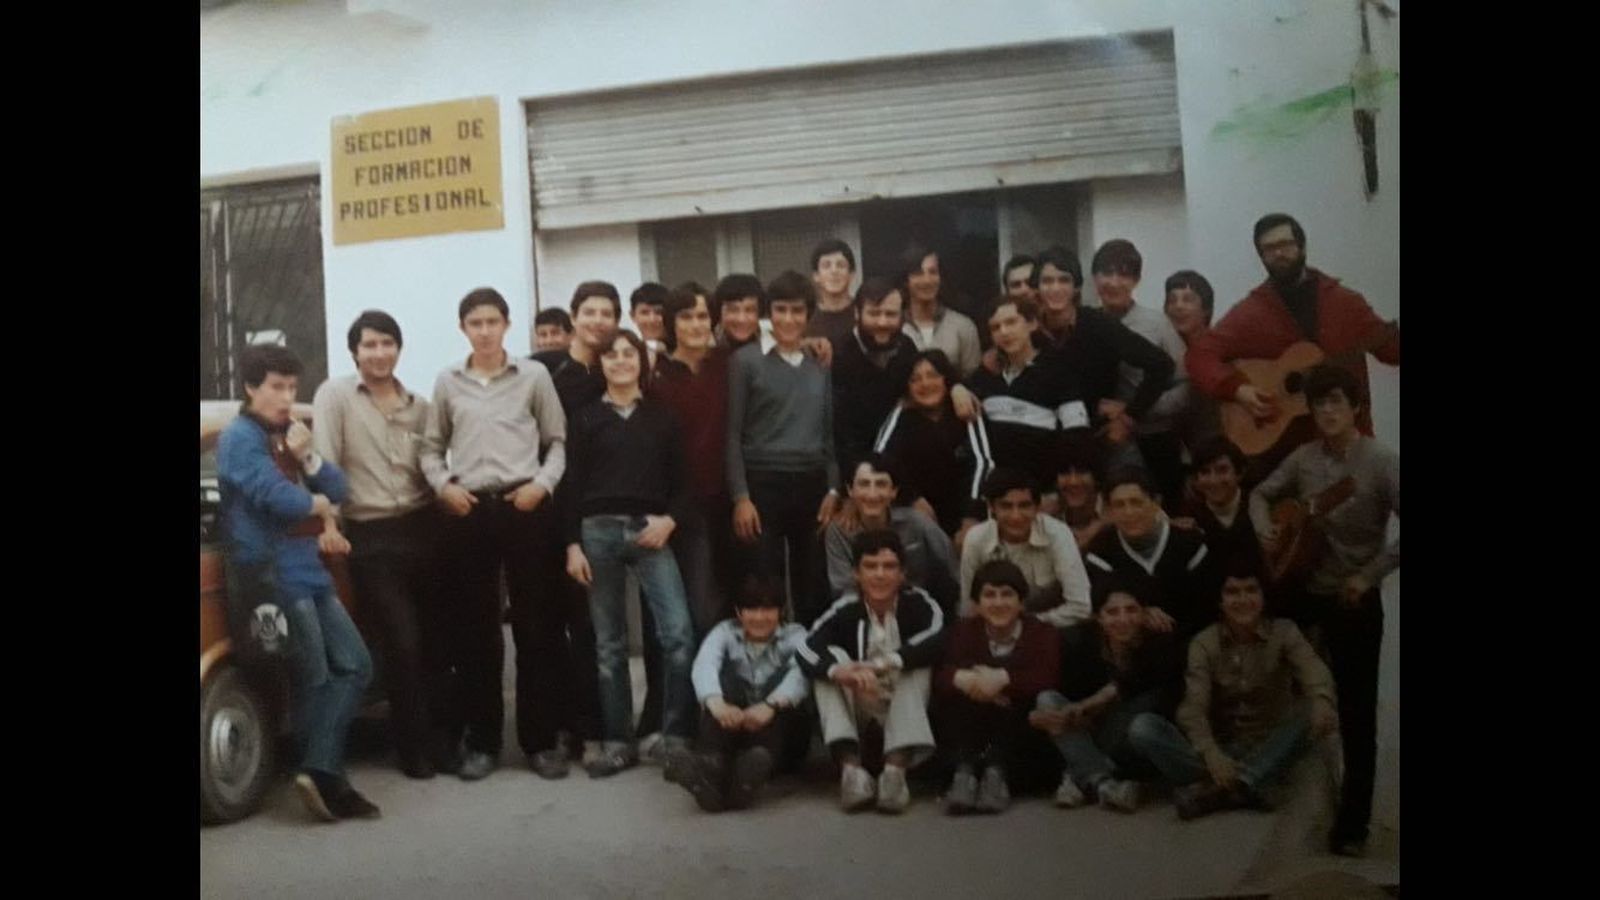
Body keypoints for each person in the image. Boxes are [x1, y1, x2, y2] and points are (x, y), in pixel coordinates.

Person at [217, 345, 378, 821]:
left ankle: (319, 770)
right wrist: (318, 507)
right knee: (315, 676)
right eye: (276, 387)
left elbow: (339, 488)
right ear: (251, 388)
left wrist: (309, 464)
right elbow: (276, 498)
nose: (287, 397)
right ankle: (328, 780)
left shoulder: (290, 432)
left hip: (308, 568)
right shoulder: (239, 438)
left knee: (355, 666)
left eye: (292, 387)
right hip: (269, 572)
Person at [1248, 364, 1398, 856]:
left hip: (1353, 596)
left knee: (1357, 712)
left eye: (1337, 402)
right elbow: (1260, 493)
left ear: (1355, 407)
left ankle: (1353, 824)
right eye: (1319, 404)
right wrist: (1267, 527)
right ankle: (1265, 784)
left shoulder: (1380, 460)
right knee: (1274, 680)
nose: (1328, 412)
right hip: (1304, 588)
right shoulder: (1304, 458)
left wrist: (1370, 574)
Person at [420, 287, 568, 782]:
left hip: (524, 507)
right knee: (477, 633)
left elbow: (557, 444)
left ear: (507, 325)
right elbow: (430, 449)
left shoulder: (534, 376)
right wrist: (444, 487)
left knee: (537, 628)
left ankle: (541, 742)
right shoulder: (448, 382)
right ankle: (482, 742)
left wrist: (541, 487)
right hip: (470, 512)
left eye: (492, 322)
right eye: (474, 323)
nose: (484, 331)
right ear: (463, 329)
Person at [311, 310, 441, 779]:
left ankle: (442, 740)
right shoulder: (336, 396)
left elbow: (432, 466)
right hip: (369, 535)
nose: (379, 353)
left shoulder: (419, 406)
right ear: (354, 351)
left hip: (423, 527)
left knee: (436, 641)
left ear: (398, 349)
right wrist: (329, 522)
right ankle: (414, 751)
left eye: (387, 343)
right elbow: (323, 463)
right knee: (402, 642)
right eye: (369, 345)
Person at [563, 329, 698, 778]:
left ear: (641, 361)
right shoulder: (584, 419)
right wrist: (572, 546)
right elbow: (570, 487)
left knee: (678, 635)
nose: (620, 361)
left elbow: (684, 483)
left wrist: (670, 521)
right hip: (596, 534)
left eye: (628, 354)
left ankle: (673, 737)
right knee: (609, 645)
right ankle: (618, 742)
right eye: (611, 355)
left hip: (650, 531)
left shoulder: (664, 417)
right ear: (600, 364)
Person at [1126, 559, 1337, 821]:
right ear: (1220, 601)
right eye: (1233, 592)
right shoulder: (1204, 643)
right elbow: (1193, 707)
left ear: (1262, 597)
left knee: (1313, 710)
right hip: (1220, 748)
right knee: (1143, 728)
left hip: (1270, 746)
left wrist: (1321, 699)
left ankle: (1220, 791)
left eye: (1250, 590)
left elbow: (1314, 670)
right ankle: (1248, 785)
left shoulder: (1284, 633)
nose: (1242, 600)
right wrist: (1213, 755)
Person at [1185, 213, 1400, 450]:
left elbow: (1392, 351)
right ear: (1261, 256)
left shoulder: (1345, 302)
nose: (1278, 253)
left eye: (1285, 244)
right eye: (1269, 248)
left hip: (1351, 446)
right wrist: (1238, 389)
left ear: (1302, 246)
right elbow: (1199, 356)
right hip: (1289, 451)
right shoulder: (1251, 312)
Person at [797, 530, 946, 813]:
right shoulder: (846, 608)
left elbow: (937, 638)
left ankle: (895, 774)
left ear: (902, 574)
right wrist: (838, 671)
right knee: (832, 665)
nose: (880, 575)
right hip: (862, 705)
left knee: (917, 665)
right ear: (856, 574)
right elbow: (806, 649)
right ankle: (852, 773)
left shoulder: (920, 604)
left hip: (905, 703)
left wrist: (883, 663)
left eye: (889, 567)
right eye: (871, 566)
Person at [726, 270, 841, 627]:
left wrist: (834, 488)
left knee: (813, 585)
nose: (788, 319)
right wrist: (741, 497)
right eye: (780, 310)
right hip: (763, 484)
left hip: (811, 483)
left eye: (797, 311)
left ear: (808, 315)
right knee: (765, 582)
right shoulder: (745, 361)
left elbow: (829, 433)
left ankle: (813, 667)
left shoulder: (819, 363)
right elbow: (732, 435)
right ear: (768, 313)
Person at [1030, 577, 1184, 812]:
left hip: (1130, 738)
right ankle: (1104, 783)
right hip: (1088, 728)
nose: (1123, 619)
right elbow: (1066, 696)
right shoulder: (1081, 644)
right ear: (1098, 618)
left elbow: (1128, 688)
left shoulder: (1159, 643)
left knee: (1141, 709)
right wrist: (1042, 717)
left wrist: (1083, 708)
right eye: (1112, 612)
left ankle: (1079, 776)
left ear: (1145, 614)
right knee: (1047, 700)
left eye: (1131, 610)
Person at [1027, 245, 1174, 468]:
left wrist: (1129, 416)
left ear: (1076, 287)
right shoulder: (1030, 332)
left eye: (1064, 280)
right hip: (1046, 440)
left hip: (1098, 439)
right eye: (1047, 281)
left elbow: (1161, 365)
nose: (1055, 288)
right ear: (1036, 288)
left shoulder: (1098, 324)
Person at [935, 560, 1060, 814]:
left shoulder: (1042, 632)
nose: (998, 603)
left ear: (1021, 602)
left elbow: (1048, 676)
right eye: (989, 595)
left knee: (1028, 703)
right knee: (956, 699)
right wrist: (966, 680)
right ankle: (964, 774)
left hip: (1021, 731)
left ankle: (996, 775)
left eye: (1007, 595)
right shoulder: (963, 631)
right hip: (972, 725)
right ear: (977, 603)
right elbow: (941, 674)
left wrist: (1003, 679)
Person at [677, 577, 811, 812]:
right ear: (739, 613)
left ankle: (733, 776)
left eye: (768, 609)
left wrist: (770, 706)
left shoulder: (796, 635)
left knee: (791, 687)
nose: (760, 617)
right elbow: (705, 664)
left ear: (781, 611)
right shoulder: (724, 632)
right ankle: (715, 770)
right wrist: (717, 704)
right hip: (734, 728)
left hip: (776, 733)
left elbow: (803, 673)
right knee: (722, 683)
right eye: (752, 609)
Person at [651, 283, 739, 634]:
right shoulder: (654, 375)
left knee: (737, 600)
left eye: (702, 316)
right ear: (671, 323)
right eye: (685, 317)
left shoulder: (728, 364)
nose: (695, 324)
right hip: (683, 507)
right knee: (699, 608)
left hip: (731, 500)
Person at [1090, 239, 1191, 508]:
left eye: (1123, 274)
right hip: (1106, 444)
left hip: (1155, 441)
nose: (1113, 282)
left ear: (1136, 280)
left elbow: (1186, 387)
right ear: (1094, 278)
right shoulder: (1086, 322)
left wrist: (1134, 411)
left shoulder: (1157, 324)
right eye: (1106, 273)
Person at [964, 296, 1089, 496]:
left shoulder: (1059, 371)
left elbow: (1076, 436)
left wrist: (1057, 491)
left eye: (1011, 322)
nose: (1004, 332)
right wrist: (958, 389)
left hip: (1043, 492)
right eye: (996, 327)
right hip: (998, 494)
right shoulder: (984, 378)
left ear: (1031, 324)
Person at [872, 349, 994, 542]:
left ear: (946, 380)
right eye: (915, 379)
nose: (925, 384)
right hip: (916, 515)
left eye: (932, 375)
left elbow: (982, 464)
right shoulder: (901, 414)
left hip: (965, 511)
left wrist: (971, 516)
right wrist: (911, 498)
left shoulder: (964, 410)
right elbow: (881, 459)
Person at [1082, 469, 1218, 640]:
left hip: (1189, 641)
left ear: (1156, 503)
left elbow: (1208, 608)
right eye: (1119, 505)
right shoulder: (1101, 550)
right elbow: (1100, 608)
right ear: (1109, 511)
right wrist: (1141, 613)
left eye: (1136, 502)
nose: (1129, 512)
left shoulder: (1190, 544)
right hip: (1128, 644)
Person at [823, 454, 960, 613]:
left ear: (893, 491)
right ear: (850, 490)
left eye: (880, 484)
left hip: (917, 610)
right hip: (861, 614)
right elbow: (843, 589)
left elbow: (952, 568)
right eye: (864, 484)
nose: (872, 494)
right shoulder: (840, 531)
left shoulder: (917, 523)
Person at [959, 468, 1092, 628]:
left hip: (1047, 627)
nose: (1016, 516)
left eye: (1024, 506)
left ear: (1037, 507)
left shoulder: (1058, 534)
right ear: (991, 508)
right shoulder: (976, 539)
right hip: (993, 628)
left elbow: (1081, 607)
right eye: (1006, 506)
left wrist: (1025, 627)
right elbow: (969, 607)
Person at [830, 277, 920, 474]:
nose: (882, 322)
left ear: (903, 316)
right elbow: (839, 432)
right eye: (874, 313)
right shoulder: (839, 354)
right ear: (857, 313)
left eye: (890, 314)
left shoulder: (906, 348)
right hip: (852, 467)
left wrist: (957, 386)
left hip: (898, 464)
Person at [1173, 437, 1261, 571]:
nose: (1213, 480)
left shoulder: (1259, 506)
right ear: (1196, 480)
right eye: (1205, 472)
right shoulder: (1188, 515)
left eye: (1222, 470)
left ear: (1240, 473)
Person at [899, 243, 982, 377]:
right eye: (918, 273)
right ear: (905, 281)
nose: (927, 280)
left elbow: (973, 379)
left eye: (933, 272)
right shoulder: (895, 327)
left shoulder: (963, 326)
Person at [1162, 269, 1223, 451]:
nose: (1178, 306)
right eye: (1172, 300)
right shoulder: (1162, 352)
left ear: (1206, 310)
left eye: (1188, 299)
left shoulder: (1222, 348)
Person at [1052, 430, 1109, 550]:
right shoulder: (1044, 515)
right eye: (1064, 472)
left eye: (1082, 472)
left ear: (1096, 476)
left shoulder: (1118, 512)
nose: (1073, 482)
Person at [806, 238, 860, 351]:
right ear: (816, 275)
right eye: (826, 266)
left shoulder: (864, 313)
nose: (834, 271)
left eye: (840, 265)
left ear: (851, 274)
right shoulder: (805, 318)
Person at [628, 281, 670, 351]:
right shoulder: (629, 354)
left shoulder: (683, 352)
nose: (652, 319)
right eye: (644, 313)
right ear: (632, 316)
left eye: (658, 312)